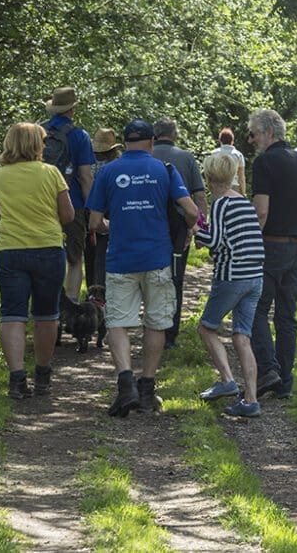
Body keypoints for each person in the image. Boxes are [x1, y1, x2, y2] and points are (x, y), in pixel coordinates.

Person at [87, 119, 197, 417]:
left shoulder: (109, 171)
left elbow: (94, 223)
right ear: (151, 143)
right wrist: (186, 232)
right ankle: (146, 389)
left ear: (124, 144)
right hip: (158, 258)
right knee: (157, 322)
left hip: (121, 260)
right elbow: (192, 211)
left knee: (118, 323)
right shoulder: (165, 170)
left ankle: (126, 385)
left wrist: (114, 224)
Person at [0, 123, 75, 399]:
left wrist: (6, 208)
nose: (45, 146)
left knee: (13, 315)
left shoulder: (0, 175)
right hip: (48, 250)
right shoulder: (51, 173)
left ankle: (17, 379)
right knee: (46, 314)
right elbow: (67, 216)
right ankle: (43, 375)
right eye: (42, 141)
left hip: (11, 251)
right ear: (35, 145)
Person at [247, 109, 297, 399]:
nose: (251, 140)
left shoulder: (265, 163)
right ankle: (284, 382)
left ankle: (269, 369)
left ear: (269, 133)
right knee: (287, 315)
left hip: (273, 245)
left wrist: (248, 241)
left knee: (254, 309)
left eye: (253, 133)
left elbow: (261, 211)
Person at [195, 152, 265, 417]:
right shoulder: (244, 202)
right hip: (255, 276)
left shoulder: (221, 203)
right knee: (241, 336)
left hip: (232, 275)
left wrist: (196, 231)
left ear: (210, 177)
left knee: (206, 328)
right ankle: (251, 400)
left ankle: (226, 380)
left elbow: (216, 242)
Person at [152, 117, 207, 349]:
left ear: (154, 136)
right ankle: (170, 335)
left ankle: (153, 328)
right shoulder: (186, 157)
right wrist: (201, 229)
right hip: (180, 226)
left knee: (151, 276)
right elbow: (200, 196)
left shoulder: (148, 156)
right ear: (175, 135)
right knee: (176, 278)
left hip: (151, 224)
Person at [42, 87, 95, 301]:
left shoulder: (39, 132)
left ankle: (47, 305)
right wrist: (92, 208)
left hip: (42, 204)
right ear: (73, 109)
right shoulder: (80, 136)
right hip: (73, 205)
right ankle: (70, 306)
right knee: (75, 259)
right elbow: (85, 177)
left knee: (46, 255)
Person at [84, 128, 123, 290]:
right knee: (102, 251)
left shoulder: (87, 163)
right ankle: (100, 288)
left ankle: (92, 287)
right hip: (108, 210)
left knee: (90, 252)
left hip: (87, 209)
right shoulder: (116, 165)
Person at [211, 127, 247, 193]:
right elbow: (241, 177)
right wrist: (243, 192)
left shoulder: (213, 154)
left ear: (220, 140)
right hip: (234, 187)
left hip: (218, 187)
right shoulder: (238, 155)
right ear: (232, 141)